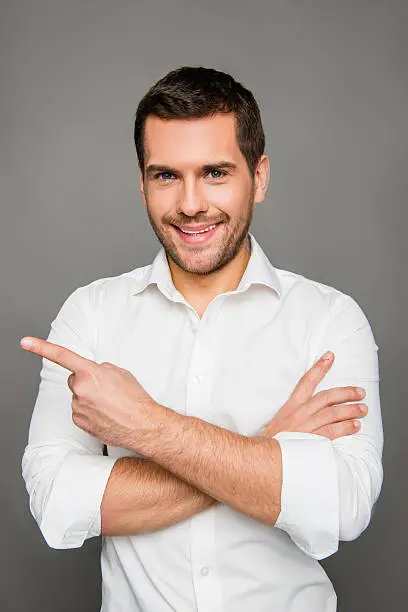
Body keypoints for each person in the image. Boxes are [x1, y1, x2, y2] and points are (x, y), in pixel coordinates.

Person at [20, 66, 383, 612]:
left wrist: (146, 426)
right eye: (166, 175)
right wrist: (266, 448)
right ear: (141, 181)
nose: (191, 204)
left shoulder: (331, 320)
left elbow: (342, 507)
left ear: (258, 177)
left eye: (215, 173)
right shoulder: (90, 315)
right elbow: (58, 507)